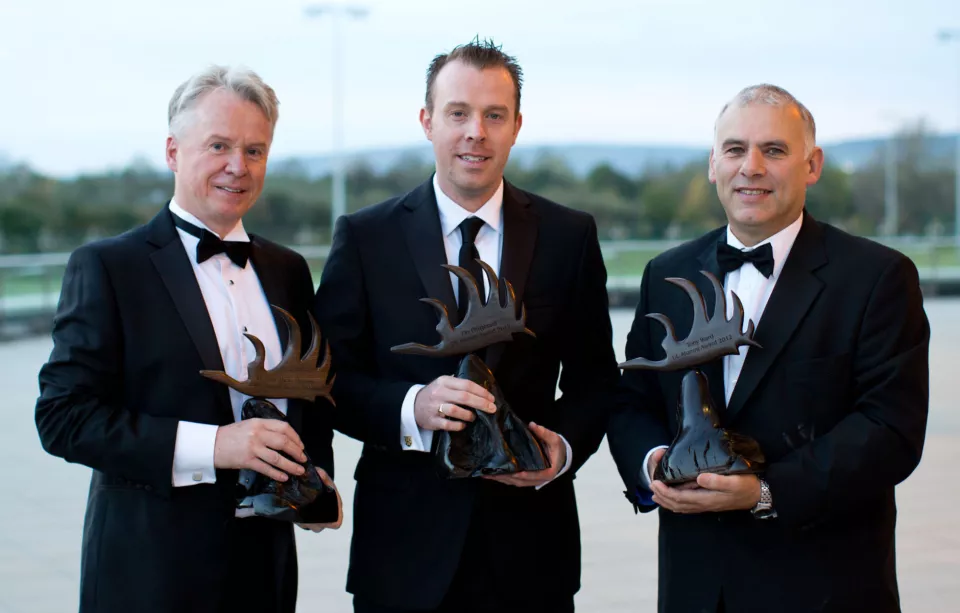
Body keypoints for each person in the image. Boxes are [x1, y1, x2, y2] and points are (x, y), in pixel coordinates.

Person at [313, 38, 619, 613]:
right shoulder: (364, 238)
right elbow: (330, 382)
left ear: (516, 125)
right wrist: (411, 408)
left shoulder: (569, 235)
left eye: (493, 115)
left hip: (532, 550)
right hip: (402, 554)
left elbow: (597, 380)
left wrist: (561, 449)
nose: (475, 131)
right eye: (458, 113)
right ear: (428, 121)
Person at [608, 84, 930, 613]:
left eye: (774, 150)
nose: (750, 167)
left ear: (812, 164)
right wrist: (653, 463)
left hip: (824, 587)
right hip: (696, 587)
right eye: (734, 150)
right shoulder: (666, 274)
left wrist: (765, 491)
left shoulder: (878, 277)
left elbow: (890, 428)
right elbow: (632, 400)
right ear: (714, 164)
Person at [35, 65, 342, 613]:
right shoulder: (109, 267)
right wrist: (216, 445)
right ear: (173, 151)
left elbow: (313, 397)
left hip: (265, 570)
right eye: (218, 145)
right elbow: (62, 418)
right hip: (148, 572)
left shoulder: (289, 269)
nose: (237, 167)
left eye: (255, 150)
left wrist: (316, 477)